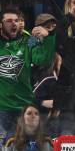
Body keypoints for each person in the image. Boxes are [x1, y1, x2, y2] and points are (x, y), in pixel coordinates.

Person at [0, 9, 54, 142]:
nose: (14, 24)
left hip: (23, 107)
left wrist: (48, 37)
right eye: (9, 21)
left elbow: (42, 59)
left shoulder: (28, 41)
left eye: (16, 20)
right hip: (2, 108)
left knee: (24, 150)